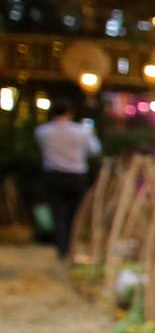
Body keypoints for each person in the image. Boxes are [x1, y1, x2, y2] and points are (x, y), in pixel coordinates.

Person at [36, 97, 100, 258]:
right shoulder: (80, 131)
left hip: (54, 175)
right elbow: (95, 150)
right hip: (77, 175)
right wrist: (92, 135)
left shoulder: (42, 131)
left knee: (58, 213)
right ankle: (71, 246)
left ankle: (62, 247)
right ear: (70, 112)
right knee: (75, 212)